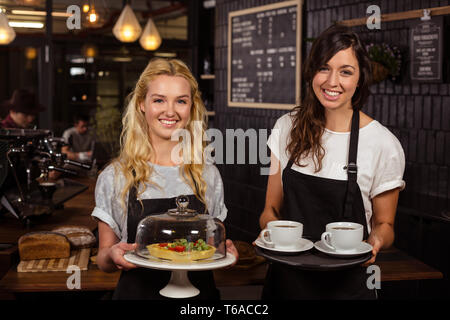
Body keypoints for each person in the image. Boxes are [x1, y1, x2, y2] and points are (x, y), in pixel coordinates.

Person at [259, 24, 405, 299]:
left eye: (346, 71)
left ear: (360, 79)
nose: (332, 81)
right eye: (323, 68)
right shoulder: (285, 127)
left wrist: (375, 241)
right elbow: (270, 209)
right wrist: (270, 232)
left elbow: (385, 225)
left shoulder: (383, 143)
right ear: (311, 72)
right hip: (287, 283)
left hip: (347, 286)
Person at [92, 58, 238, 300]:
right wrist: (112, 254)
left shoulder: (207, 173)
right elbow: (103, 260)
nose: (170, 111)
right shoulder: (115, 176)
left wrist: (225, 252)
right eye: (158, 100)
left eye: (181, 101)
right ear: (141, 104)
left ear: (191, 107)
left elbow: (212, 247)